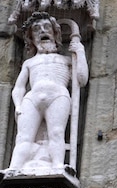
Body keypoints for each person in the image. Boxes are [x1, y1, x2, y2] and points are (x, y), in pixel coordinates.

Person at [8, 12, 88, 172]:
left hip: (57, 95)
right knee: (23, 137)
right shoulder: (29, 63)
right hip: (32, 98)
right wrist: (18, 105)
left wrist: (80, 52)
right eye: (36, 29)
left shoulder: (66, 60)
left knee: (56, 133)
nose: (42, 31)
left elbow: (82, 79)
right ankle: (13, 168)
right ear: (31, 38)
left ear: (55, 33)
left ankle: (58, 165)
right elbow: (19, 87)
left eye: (46, 27)